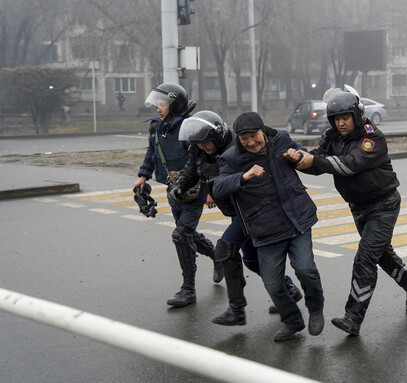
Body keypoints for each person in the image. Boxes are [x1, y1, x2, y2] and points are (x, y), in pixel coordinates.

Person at [288, 87, 407, 337]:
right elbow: (318, 161)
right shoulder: (333, 137)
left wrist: (313, 160)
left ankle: (353, 317)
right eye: (336, 118)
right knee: (381, 255)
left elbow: (349, 165)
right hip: (359, 207)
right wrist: (297, 159)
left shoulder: (372, 138)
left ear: (357, 115)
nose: (340, 123)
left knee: (365, 258)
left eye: (345, 117)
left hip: (384, 204)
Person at [169, 110, 303, 326]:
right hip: (236, 211)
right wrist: (179, 186)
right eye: (198, 143)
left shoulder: (237, 148)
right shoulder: (198, 149)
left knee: (225, 249)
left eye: (205, 142)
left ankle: (237, 309)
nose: (202, 147)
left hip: (253, 210)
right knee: (251, 260)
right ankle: (288, 289)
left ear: (218, 135)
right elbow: (191, 170)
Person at [212, 111, 325, 342]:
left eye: (254, 136)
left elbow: (306, 157)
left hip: (297, 218)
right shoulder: (231, 158)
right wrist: (244, 176)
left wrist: (299, 155)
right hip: (265, 227)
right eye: (245, 139)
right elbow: (219, 187)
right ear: (238, 139)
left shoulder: (281, 139)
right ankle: (293, 321)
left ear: (262, 130)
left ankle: (315, 310)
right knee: (273, 283)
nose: (251, 142)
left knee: (305, 269)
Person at [134, 83, 222, 308]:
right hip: (174, 189)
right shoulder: (156, 126)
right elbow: (152, 152)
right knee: (187, 234)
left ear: (175, 105)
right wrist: (143, 176)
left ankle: (188, 290)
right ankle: (217, 256)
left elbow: (205, 159)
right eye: (157, 104)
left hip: (196, 189)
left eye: (162, 104)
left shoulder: (189, 128)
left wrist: (211, 190)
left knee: (182, 235)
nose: (158, 109)